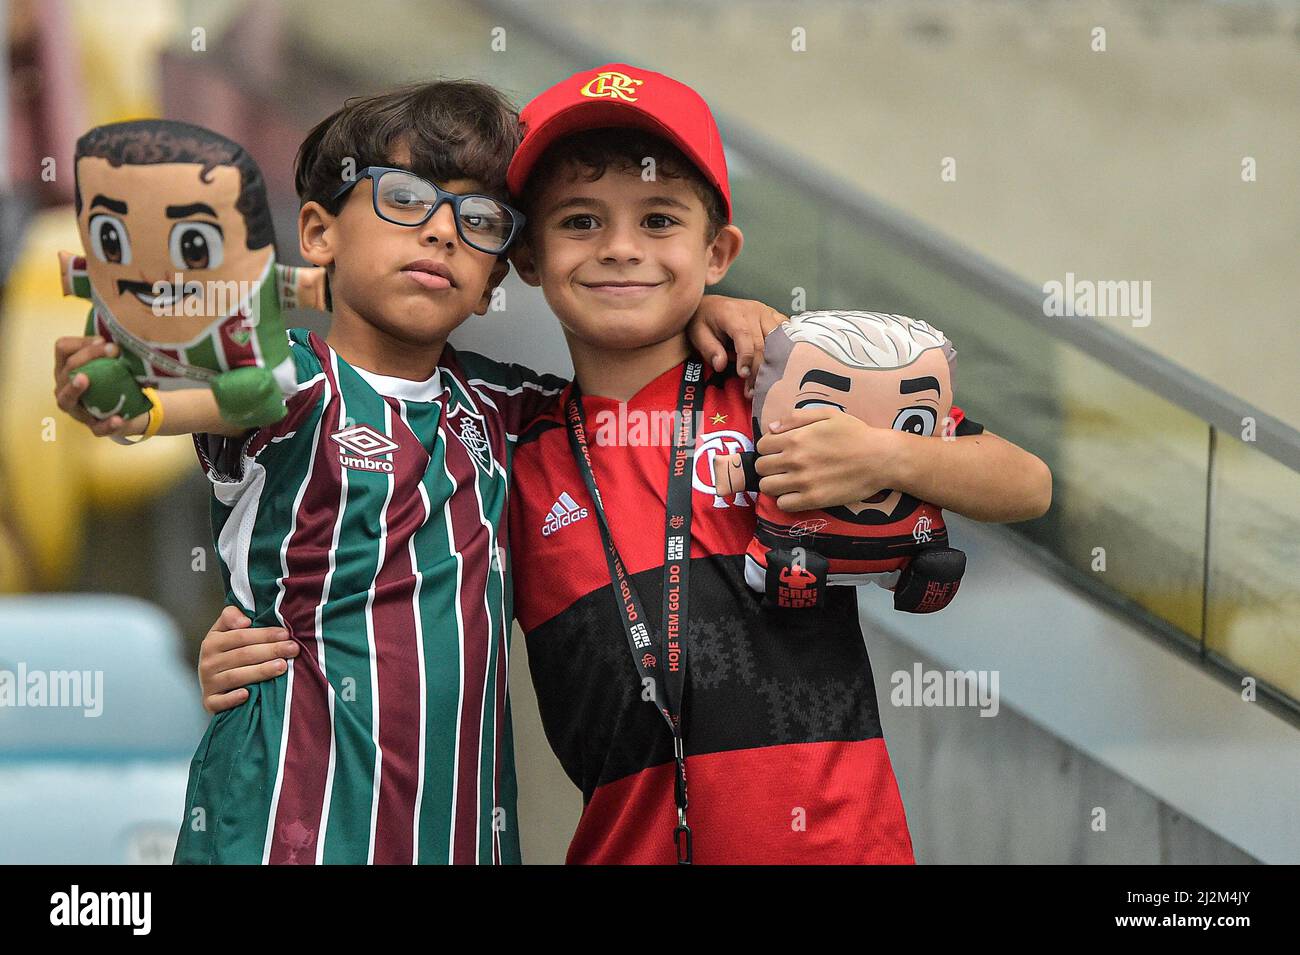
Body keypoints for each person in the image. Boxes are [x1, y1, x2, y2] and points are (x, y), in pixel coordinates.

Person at [195, 63, 1052, 864]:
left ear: (717, 253)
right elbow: (382, 556)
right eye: (579, 220)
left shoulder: (783, 387)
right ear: (525, 260)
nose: (619, 248)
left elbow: (1025, 483)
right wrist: (265, 625)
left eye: (659, 220)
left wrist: (880, 449)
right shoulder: (509, 441)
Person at [51, 79, 772, 865]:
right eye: (403, 197)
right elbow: (176, 393)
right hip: (284, 821)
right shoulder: (288, 379)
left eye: (479, 219)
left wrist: (709, 307)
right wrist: (113, 393)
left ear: (499, 273)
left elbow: (631, 378)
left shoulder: (510, 410)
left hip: (458, 834)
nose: (440, 233)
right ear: (320, 233)